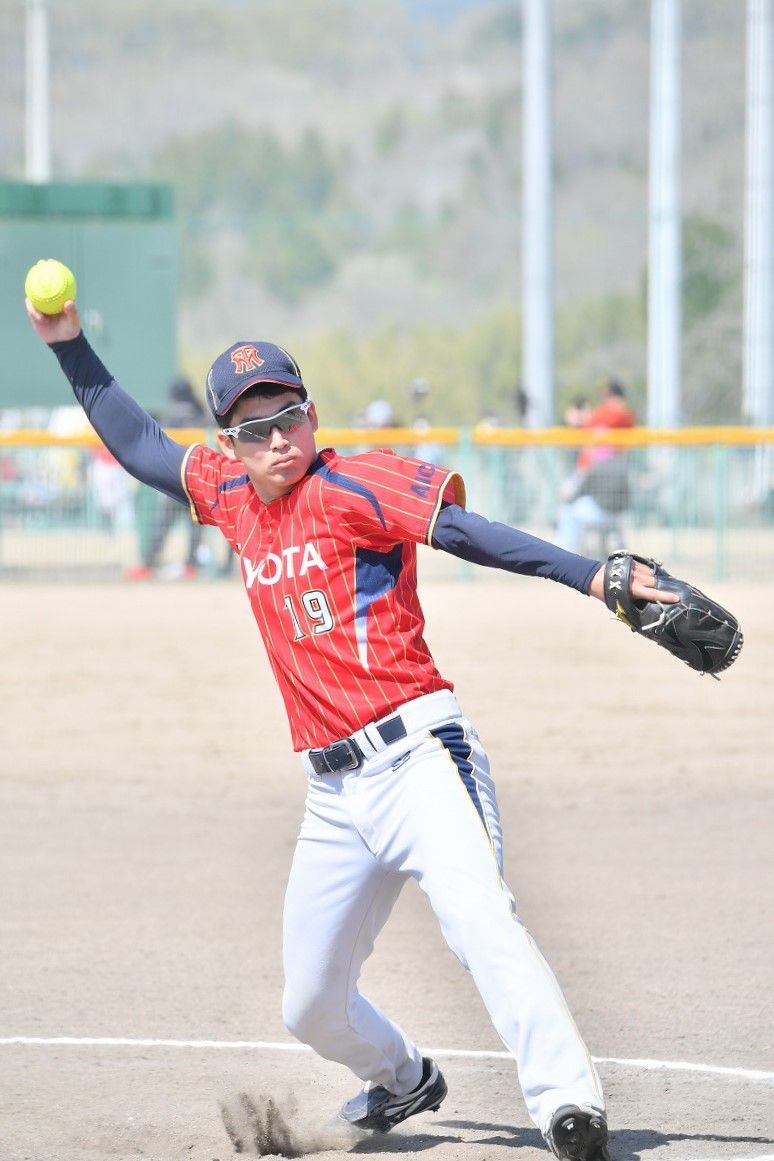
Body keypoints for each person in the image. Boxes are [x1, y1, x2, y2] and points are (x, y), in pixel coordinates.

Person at [26, 293, 674, 1161]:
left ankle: (570, 1110)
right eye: (253, 429)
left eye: (287, 416)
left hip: (418, 754)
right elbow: (139, 443)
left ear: (311, 414)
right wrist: (69, 345)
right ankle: (406, 1076)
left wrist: (593, 577)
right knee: (310, 1004)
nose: (275, 439)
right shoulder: (228, 494)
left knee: (481, 921)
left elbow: (470, 533)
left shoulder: (353, 482)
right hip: (332, 794)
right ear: (230, 444)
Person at [125, 376, 209, 580]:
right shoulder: (201, 415)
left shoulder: (171, 417)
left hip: (174, 480)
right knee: (195, 528)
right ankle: (191, 565)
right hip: (198, 481)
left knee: (160, 526)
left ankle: (147, 564)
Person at [556, 381, 636, 554]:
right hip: (615, 503)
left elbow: (589, 424)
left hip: (597, 498)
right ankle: (611, 546)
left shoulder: (612, 414)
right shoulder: (623, 419)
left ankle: (565, 554)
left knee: (568, 508)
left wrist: (581, 418)